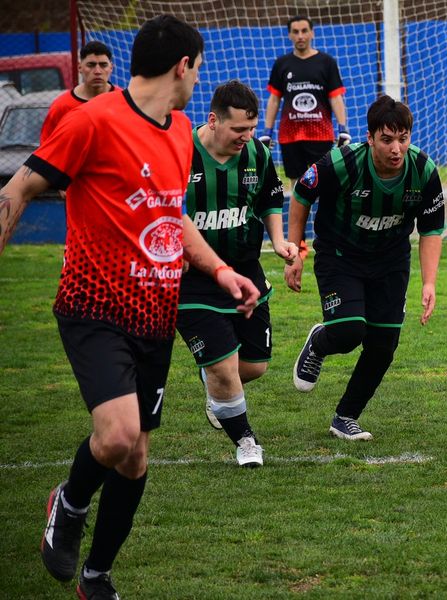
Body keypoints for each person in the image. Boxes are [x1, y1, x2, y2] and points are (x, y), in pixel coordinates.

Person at [0, 15, 260, 599]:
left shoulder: (181, 130)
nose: (199, 78)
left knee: (136, 457)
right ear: (182, 65)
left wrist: (220, 270)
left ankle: (96, 576)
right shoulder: (92, 120)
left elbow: (170, 214)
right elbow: (17, 189)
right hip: (93, 306)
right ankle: (68, 503)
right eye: (199, 68)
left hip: (155, 316)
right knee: (118, 436)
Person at [284, 95, 444, 441]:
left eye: (403, 138)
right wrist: (296, 251)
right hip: (340, 255)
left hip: (391, 261)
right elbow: (301, 194)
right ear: (370, 138)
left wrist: (429, 283)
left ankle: (346, 417)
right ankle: (320, 343)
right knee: (348, 331)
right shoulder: (341, 163)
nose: (396, 149)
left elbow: (431, 230)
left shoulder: (424, 171)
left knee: (383, 345)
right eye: (386, 139)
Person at [177, 80, 298, 467]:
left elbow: (269, 199)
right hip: (192, 280)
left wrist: (279, 240)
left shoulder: (257, 154)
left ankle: (214, 382)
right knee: (224, 367)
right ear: (213, 121)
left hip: (245, 272)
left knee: (254, 366)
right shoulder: (180, 153)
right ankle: (246, 441)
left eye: (251, 128)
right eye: (239, 129)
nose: (247, 136)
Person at [262, 15, 351, 259]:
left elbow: (335, 97)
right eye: (295, 31)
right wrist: (267, 132)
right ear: (289, 35)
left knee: (326, 188)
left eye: (304, 31)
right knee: (297, 189)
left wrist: (343, 127)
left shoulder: (326, 62)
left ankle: (330, 240)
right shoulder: (282, 64)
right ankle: (297, 244)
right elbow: (274, 100)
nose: (300, 36)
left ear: (312, 33)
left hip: (320, 136)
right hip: (290, 137)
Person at [40, 40, 117, 145]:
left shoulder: (123, 100)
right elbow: (47, 146)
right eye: (91, 65)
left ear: (111, 67)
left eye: (103, 65)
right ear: (80, 67)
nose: (97, 71)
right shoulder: (62, 106)